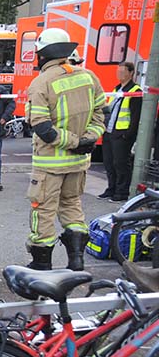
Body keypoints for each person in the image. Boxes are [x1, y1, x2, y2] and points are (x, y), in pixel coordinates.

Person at [25, 28, 105, 271]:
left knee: (44, 211)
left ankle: (42, 265)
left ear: (44, 54)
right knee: (72, 205)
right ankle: (76, 260)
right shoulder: (89, 77)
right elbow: (100, 116)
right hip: (79, 163)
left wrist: (72, 141)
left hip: (50, 164)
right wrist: (87, 140)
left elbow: (43, 128)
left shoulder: (42, 82)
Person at [99, 61, 142, 202]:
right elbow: (110, 109)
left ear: (131, 73)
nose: (120, 74)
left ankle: (121, 192)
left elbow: (136, 116)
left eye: (123, 72)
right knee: (109, 162)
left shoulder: (136, 91)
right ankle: (111, 189)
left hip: (122, 133)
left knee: (121, 163)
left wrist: (128, 134)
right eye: (118, 72)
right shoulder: (117, 89)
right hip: (110, 131)